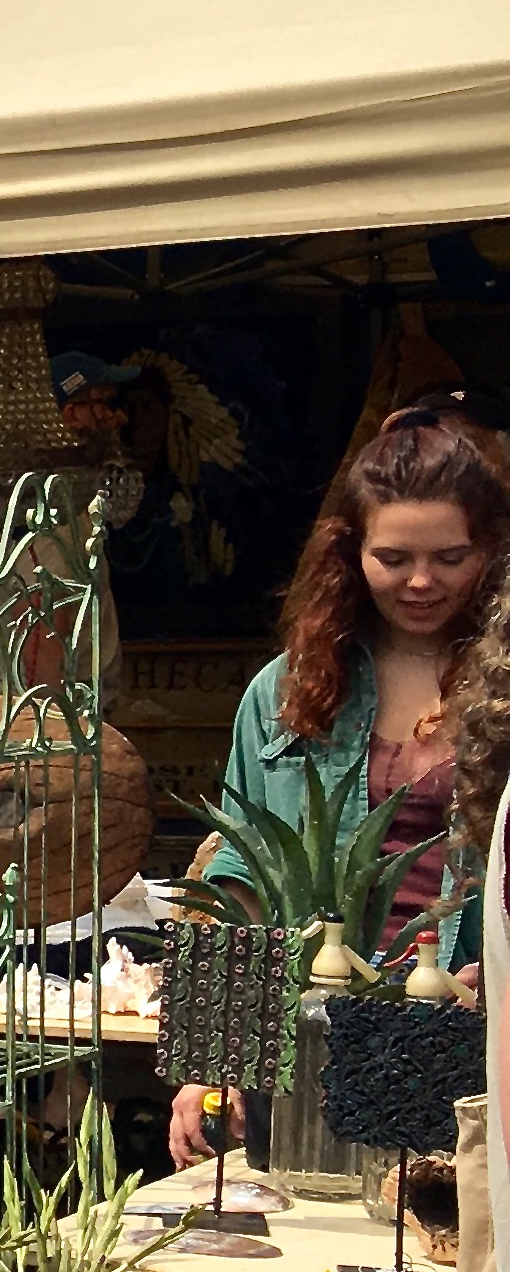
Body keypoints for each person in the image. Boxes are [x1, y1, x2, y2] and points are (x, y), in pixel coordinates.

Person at [168, 395, 508, 1165]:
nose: (419, 581)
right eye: (393, 557)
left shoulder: (504, 691)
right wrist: (209, 1061)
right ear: (350, 552)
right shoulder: (288, 694)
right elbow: (239, 880)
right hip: (309, 1049)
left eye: (448, 557)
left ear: (489, 550)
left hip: (476, 1046)